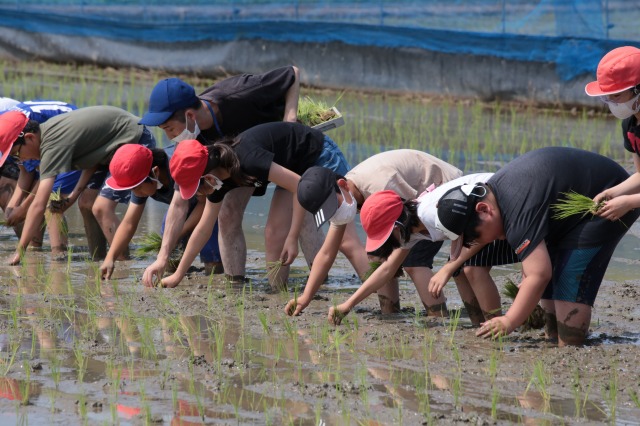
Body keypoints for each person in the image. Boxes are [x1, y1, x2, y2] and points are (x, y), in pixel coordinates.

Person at [432, 146, 639, 346]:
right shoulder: (500, 197)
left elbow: (539, 274)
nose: (481, 243)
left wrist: (510, 320)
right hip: (569, 210)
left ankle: (571, 348)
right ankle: (554, 339)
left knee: (568, 279)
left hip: (609, 198)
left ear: (484, 209)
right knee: (549, 288)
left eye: (475, 237)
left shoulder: (515, 210)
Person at [138, 66, 323, 285]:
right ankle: (236, 283)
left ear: (189, 116)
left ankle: (320, 280)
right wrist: (163, 258)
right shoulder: (191, 144)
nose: (170, 137)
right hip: (243, 163)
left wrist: (289, 117)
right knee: (226, 213)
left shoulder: (237, 95)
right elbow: (179, 204)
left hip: (286, 151)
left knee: (298, 215)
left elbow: (292, 73)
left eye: (169, 128)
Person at [155, 121, 350, 290]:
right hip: (290, 167)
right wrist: (178, 275)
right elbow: (203, 229)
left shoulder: (247, 159)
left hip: (316, 154)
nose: (197, 195)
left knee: (334, 232)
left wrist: (292, 237)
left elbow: (301, 187)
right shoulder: (218, 180)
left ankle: (323, 284)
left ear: (207, 176)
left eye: (196, 188)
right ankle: (278, 292)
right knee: (273, 234)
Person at [326, 172, 518, 327]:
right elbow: (386, 270)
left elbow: (479, 235)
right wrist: (348, 304)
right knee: (460, 270)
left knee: (472, 268)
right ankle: (481, 325)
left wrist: (448, 267)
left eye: (385, 236)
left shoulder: (432, 214)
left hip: (499, 202)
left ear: (396, 227)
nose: (386, 243)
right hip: (482, 215)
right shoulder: (411, 229)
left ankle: (496, 328)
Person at [285, 149, 463, 317]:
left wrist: (391, 263)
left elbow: (410, 218)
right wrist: (306, 296)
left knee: (413, 263)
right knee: (378, 254)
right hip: (412, 204)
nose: (335, 213)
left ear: (342, 185)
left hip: (443, 192)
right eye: (329, 211)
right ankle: (390, 312)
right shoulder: (345, 197)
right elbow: (326, 252)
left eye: (334, 206)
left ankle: (439, 318)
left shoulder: (381, 186)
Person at [0, 105, 156, 265]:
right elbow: (91, 156)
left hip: (134, 139)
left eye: (17, 154)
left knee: (102, 208)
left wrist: (19, 252)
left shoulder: (52, 145)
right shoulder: (48, 135)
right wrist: (73, 197)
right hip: (109, 149)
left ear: (30, 138)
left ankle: (123, 264)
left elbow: (38, 205)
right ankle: (98, 260)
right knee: (86, 203)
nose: (22, 160)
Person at [98, 144, 221, 279]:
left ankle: (217, 276)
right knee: (167, 233)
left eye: (137, 188)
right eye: (132, 188)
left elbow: (203, 204)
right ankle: (173, 274)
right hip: (182, 205)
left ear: (155, 172)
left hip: (211, 202)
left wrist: (181, 232)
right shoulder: (142, 178)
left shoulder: (179, 168)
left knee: (210, 244)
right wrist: (110, 258)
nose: (136, 193)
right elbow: (129, 223)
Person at [2, 100, 81, 256]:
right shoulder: (11, 136)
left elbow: (45, 177)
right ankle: (34, 247)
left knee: (52, 198)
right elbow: (25, 170)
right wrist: (13, 206)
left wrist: (23, 208)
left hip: (74, 142)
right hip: (49, 144)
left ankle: (58, 256)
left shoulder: (17, 127)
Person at [584, 46, 640, 220]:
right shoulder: (630, 125)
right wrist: (611, 193)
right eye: (607, 97)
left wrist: (629, 202)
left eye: (616, 95)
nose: (611, 103)